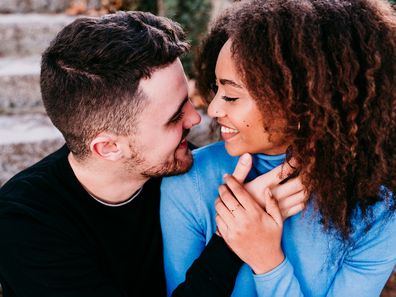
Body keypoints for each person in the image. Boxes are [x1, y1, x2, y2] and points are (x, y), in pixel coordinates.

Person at [0, 9, 305, 297]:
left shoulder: (187, 171)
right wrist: (231, 236)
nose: (197, 118)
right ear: (108, 147)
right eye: (174, 117)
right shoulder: (26, 225)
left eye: (189, 99)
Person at [160, 0, 396, 296]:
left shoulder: (376, 211)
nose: (214, 108)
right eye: (216, 88)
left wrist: (268, 261)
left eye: (231, 96)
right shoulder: (189, 181)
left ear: (302, 104)